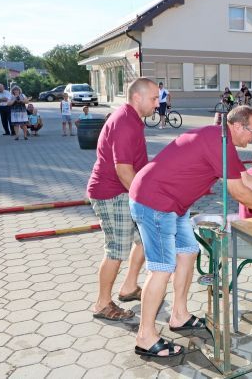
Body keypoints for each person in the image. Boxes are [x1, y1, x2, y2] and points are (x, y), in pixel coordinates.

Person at [128, 105, 252, 358]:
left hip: (174, 204)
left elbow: (246, 179)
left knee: (188, 253)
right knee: (162, 268)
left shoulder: (222, 140)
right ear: (238, 126)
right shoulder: (218, 142)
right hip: (154, 202)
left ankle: (179, 315)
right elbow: (240, 193)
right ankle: (145, 336)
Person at [87, 78, 159, 322]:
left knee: (144, 239)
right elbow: (124, 170)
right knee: (116, 250)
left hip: (123, 191)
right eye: (154, 98)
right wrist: (146, 201)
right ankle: (102, 304)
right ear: (137, 97)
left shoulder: (132, 119)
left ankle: (128, 287)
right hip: (112, 194)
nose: (157, 104)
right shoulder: (125, 122)